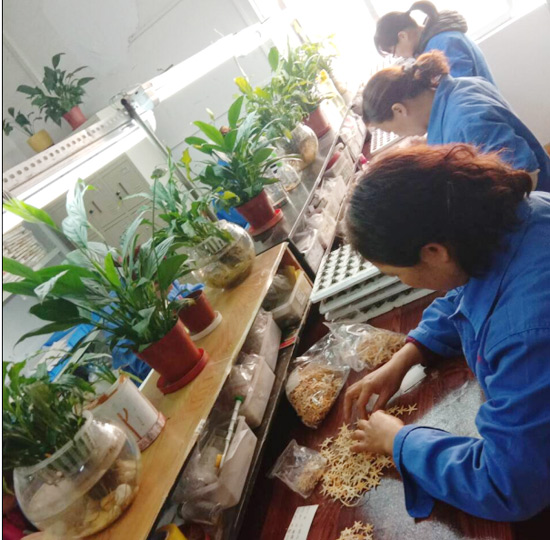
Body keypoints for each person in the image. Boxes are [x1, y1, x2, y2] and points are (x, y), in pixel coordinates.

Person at [343, 143, 550, 522]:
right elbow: (466, 292)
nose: (404, 282)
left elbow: (508, 485)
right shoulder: (520, 215)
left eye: (396, 274)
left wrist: (398, 441)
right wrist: (406, 356)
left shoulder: (525, 335)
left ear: (434, 252)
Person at [362, 50, 550, 192]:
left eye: (392, 131)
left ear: (399, 110)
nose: (399, 135)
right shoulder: (459, 88)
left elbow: (526, 176)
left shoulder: (466, 121)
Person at [374, 1, 496, 84]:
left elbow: (462, 92)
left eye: (393, 51)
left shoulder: (444, 44)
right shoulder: (436, 41)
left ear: (402, 36)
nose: (397, 56)